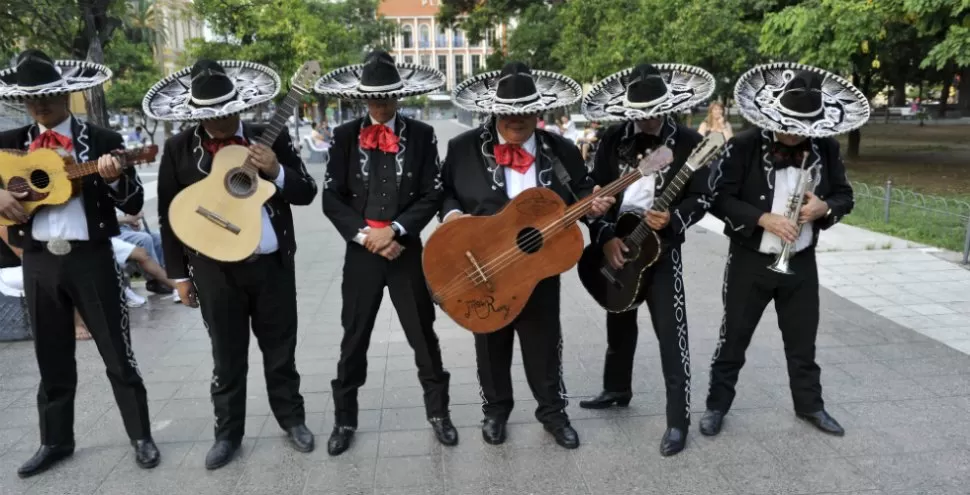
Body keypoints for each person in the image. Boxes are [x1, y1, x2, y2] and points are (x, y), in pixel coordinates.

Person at [148, 59, 319, 469]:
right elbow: (169, 216)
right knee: (226, 356)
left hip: (271, 265)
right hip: (214, 270)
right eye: (211, 114)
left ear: (239, 104)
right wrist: (178, 276)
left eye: (227, 110)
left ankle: (292, 420)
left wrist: (275, 170)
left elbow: (307, 191)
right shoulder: (178, 149)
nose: (222, 121)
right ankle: (227, 434)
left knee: (281, 351)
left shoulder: (267, 136)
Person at [0, 49, 159, 476]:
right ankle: (55, 441)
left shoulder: (102, 141)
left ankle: (141, 435)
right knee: (50, 356)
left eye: (47, 96)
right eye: (31, 99)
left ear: (65, 94)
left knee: (117, 353)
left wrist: (116, 176)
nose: (39, 105)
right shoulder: (9, 144)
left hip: (91, 258)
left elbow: (133, 200)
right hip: (37, 261)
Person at [443, 62, 614, 449]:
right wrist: (454, 218)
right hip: (483, 265)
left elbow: (583, 191)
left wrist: (594, 203)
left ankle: (553, 413)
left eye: (524, 110)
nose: (516, 118)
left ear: (538, 110)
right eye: (508, 110)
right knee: (490, 341)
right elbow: (447, 193)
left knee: (544, 342)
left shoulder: (561, 149)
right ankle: (495, 411)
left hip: (538, 267)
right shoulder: (463, 148)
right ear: (494, 108)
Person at [702, 63, 865, 438]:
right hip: (750, 261)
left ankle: (810, 406)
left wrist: (825, 208)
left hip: (801, 262)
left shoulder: (825, 146)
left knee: (802, 340)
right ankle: (716, 406)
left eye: (802, 127)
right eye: (788, 124)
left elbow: (844, 195)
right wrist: (763, 218)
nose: (793, 133)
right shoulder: (743, 145)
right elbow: (718, 198)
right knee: (734, 339)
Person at [317, 51, 457, 456]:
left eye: (388, 97)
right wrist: (366, 236)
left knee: (422, 333)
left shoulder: (423, 134)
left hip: (405, 250)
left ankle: (439, 414)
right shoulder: (343, 136)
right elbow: (331, 198)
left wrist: (394, 230)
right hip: (362, 253)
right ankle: (344, 419)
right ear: (363, 98)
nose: (381, 105)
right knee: (354, 336)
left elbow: (433, 192)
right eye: (374, 98)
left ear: (399, 95)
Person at [579, 63, 716, 456]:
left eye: (654, 109)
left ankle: (677, 421)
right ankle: (617, 388)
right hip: (619, 243)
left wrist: (674, 217)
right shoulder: (612, 137)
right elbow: (595, 190)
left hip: (661, 248)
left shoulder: (689, 140)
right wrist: (604, 237)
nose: (647, 117)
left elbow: (703, 196)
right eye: (639, 111)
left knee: (671, 335)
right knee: (618, 321)